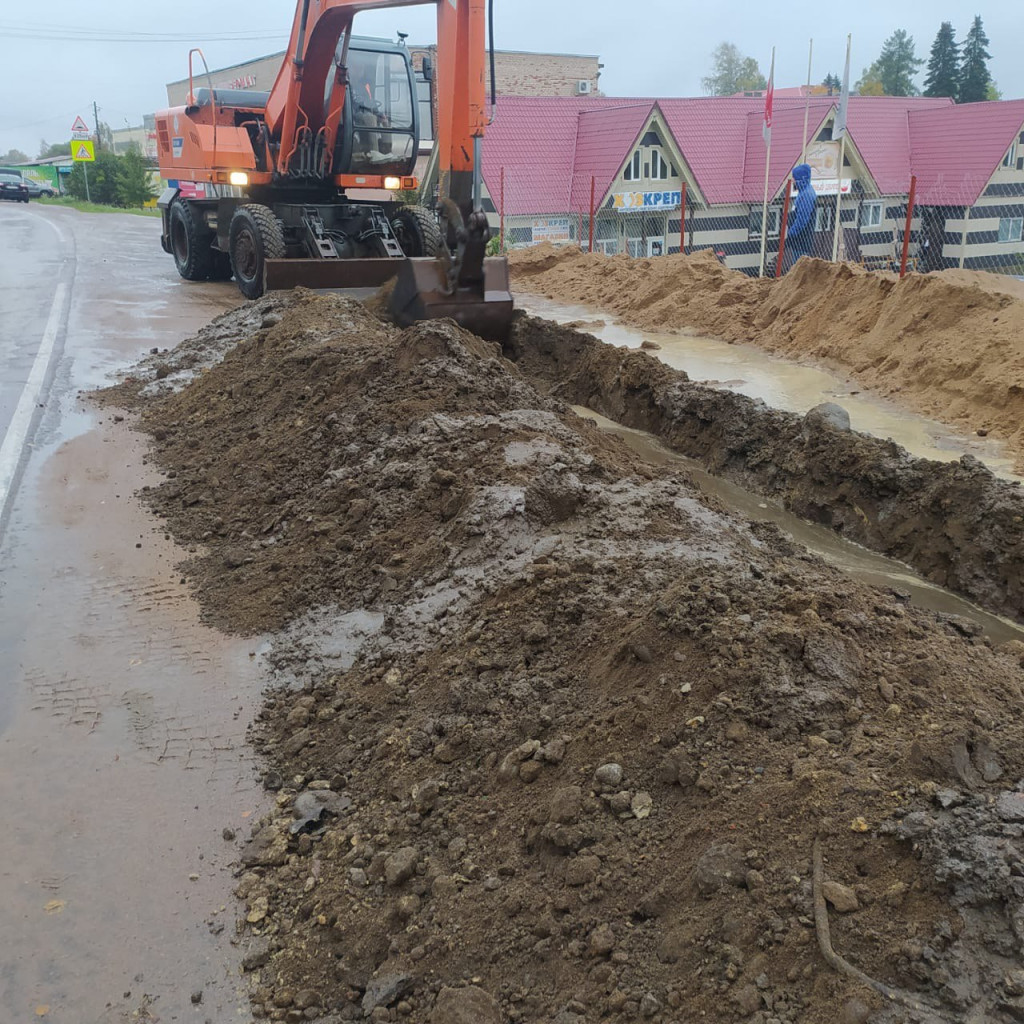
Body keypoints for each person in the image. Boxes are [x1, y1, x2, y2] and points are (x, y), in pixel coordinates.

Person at [781, 163, 816, 274]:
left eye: (795, 179)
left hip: (802, 240)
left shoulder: (807, 196)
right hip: (798, 240)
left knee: (799, 270)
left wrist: (791, 234)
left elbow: (802, 219)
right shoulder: (803, 193)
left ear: (801, 179)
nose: (793, 181)